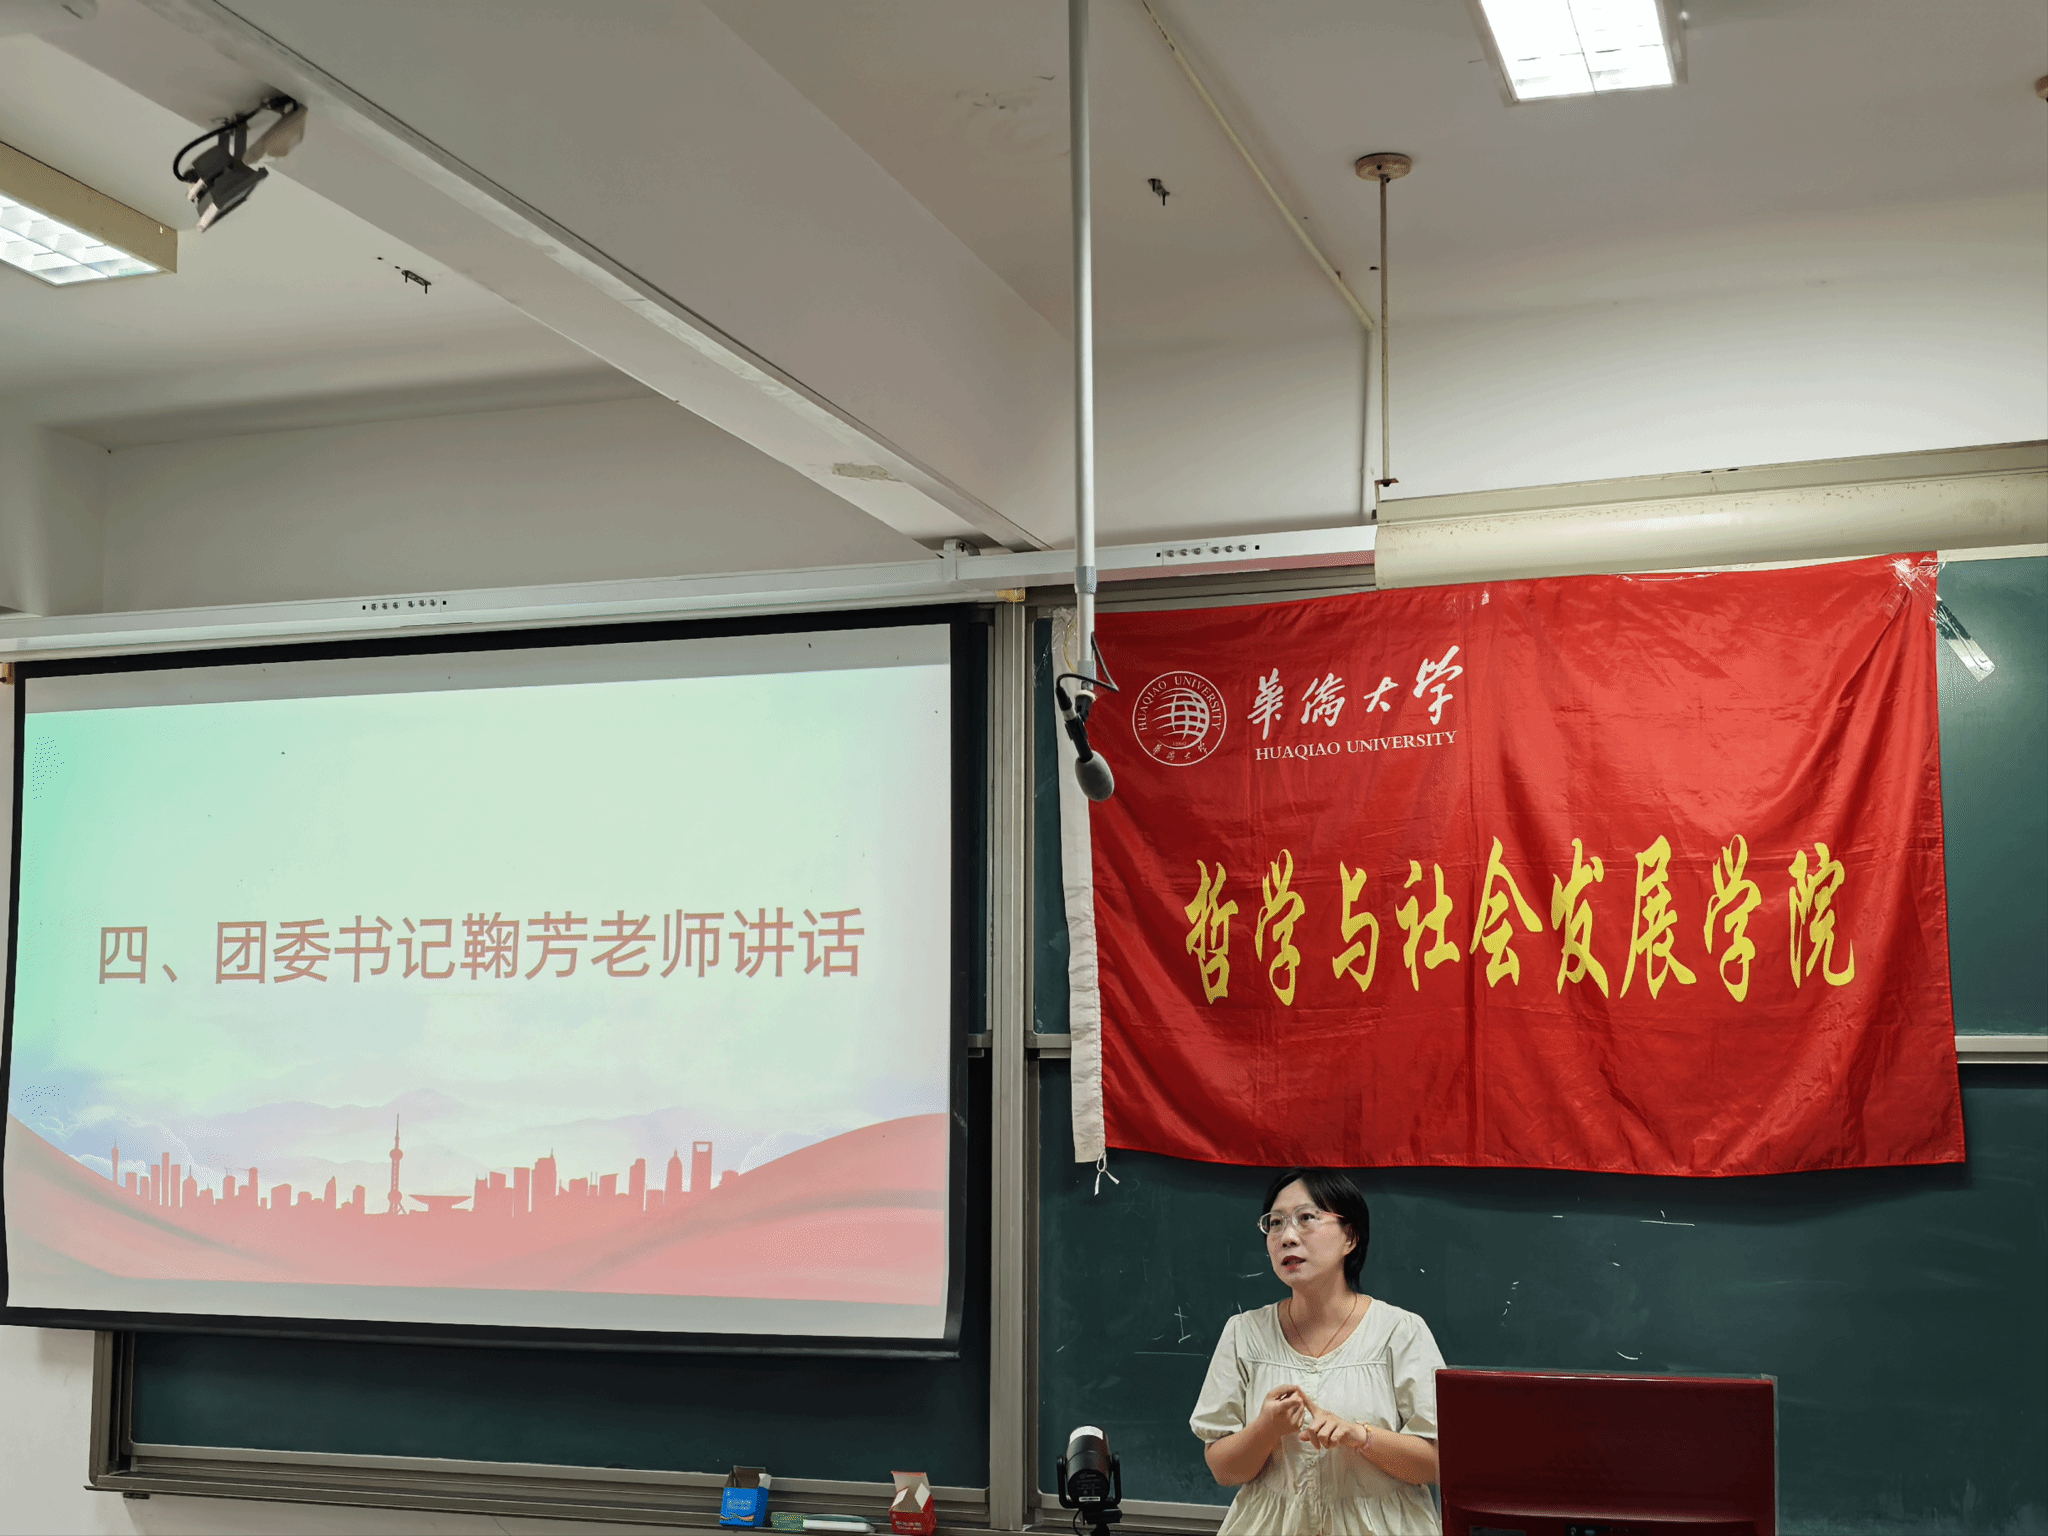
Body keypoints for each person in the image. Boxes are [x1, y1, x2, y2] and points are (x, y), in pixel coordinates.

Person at [1189, 1168, 1444, 1535]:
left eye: (1306, 1218)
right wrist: (1266, 1429)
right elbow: (1224, 1470)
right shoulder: (1244, 1333)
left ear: (1350, 1237)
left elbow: (1436, 1464)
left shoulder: (1400, 1332)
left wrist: (1360, 1436)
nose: (1287, 1237)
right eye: (1275, 1223)